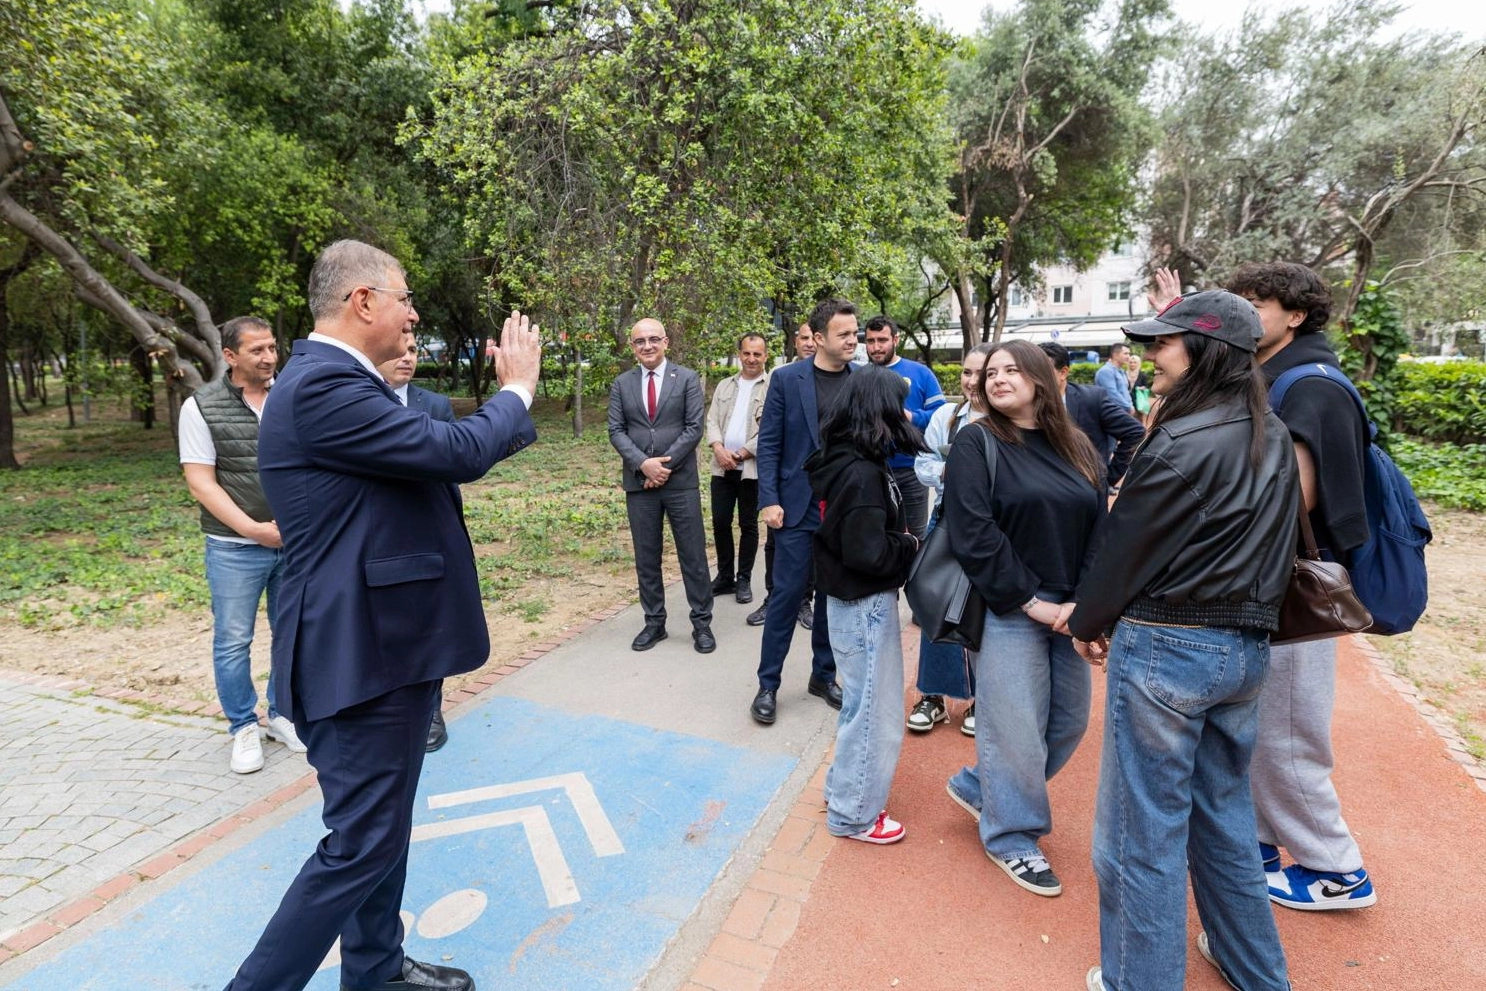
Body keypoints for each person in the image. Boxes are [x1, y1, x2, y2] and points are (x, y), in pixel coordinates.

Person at [225, 239, 541, 991]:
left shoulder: (340, 381)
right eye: (403, 297)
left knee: (381, 829)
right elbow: (455, 448)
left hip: (386, 647)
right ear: (361, 300)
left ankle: (374, 970)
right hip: (357, 658)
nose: (414, 311)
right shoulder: (323, 387)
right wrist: (519, 391)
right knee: (360, 842)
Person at [1066, 290, 1299, 991]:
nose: (1149, 354)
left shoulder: (1181, 438)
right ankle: (1257, 972)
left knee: (1142, 838)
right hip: (1245, 651)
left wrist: (1086, 623)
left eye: (1164, 342)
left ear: (1204, 353)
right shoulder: (1273, 432)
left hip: (1169, 648)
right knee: (1224, 821)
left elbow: (1122, 549)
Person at [1226, 261, 1376, 911]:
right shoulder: (1273, 376)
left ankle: (1336, 869)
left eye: (1257, 303)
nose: (1245, 312)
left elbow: (1293, 502)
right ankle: (1260, 840)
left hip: (1284, 580)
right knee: (1259, 724)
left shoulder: (1309, 386)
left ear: (1296, 313)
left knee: (1288, 731)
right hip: (1264, 577)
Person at [940, 340, 1106, 897]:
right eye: (991, 372)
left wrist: (1082, 601)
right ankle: (1012, 834)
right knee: (1013, 730)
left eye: (1012, 369)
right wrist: (1031, 601)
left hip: (1069, 609)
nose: (998, 378)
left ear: (1041, 378)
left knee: (1068, 722)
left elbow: (1099, 530)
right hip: (1009, 606)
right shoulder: (977, 441)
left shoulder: (1077, 446)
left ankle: (979, 784)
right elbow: (974, 533)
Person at [179, 315, 305, 775]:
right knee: (234, 640)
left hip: (292, 543)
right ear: (230, 356)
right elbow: (201, 483)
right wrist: (255, 530)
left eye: (272, 347)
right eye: (257, 350)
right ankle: (242, 726)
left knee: (290, 632)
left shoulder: (289, 396)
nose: (270, 357)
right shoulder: (201, 406)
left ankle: (280, 714)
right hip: (234, 547)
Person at [806, 365, 925, 844]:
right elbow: (868, 552)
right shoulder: (861, 474)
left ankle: (843, 792)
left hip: (849, 602)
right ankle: (854, 814)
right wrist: (909, 545)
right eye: (897, 405)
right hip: (864, 604)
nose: (904, 414)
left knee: (860, 706)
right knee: (875, 712)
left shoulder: (845, 459)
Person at [750, 298, 858, 725]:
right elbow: (771, 443)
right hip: (796, 508)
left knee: (834, 597)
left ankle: (823, 676)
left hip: (842, 511)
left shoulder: (862, 381)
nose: (854, 340)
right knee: (786, 597)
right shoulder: (786, 379)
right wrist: (769, 500)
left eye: (855, 333)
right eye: (844, 334)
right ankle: (768, 684)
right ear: (818, 338)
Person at [607, 318, 715, 654]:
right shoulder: (621, 384)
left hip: (679, 482)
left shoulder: (685, 379)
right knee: (647, 556)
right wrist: (644, 464)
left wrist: (664, 466)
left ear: (666, 342)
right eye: (640, 341)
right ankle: (654, 623)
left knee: (693, 555)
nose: (647, 346)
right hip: (640, 484)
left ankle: (702, 624)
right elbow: (616, 431)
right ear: (632, 346)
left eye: (654, 339)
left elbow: (694, 427)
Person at [906, 344, 992, 735]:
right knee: (934, 603)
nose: (973, 382)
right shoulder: (947, 416)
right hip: (947, 521)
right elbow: (923, 464)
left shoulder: (1010, 417)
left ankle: (979, 698)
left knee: (984, 610)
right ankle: (933, 696)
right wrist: (955, 472)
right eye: (967, 373)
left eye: (982, 373)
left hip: (995, 528)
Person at [376, 333, 456, 754]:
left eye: (412, 353)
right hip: (383, 534)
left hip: (429, 526)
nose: (407, 359)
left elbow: (451, 461)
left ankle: (432, 709)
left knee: (432, 622)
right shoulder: (365, 401)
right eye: (400, 351)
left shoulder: (435, 405)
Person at [750, 323, 818, 627]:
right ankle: (773, 598)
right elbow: (767, 429)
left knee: (811, 549)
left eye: (813, 338)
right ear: (797, 341)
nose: (809, 344)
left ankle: (804, 601)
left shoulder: (830, 376)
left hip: (814, 487)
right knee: (774, 545)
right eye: (804, 338)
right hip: (783, 480)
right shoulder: (782, 377)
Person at [862, 314, 944, 538]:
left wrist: (912, 417)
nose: (876, 347)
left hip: (911, 469)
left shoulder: (921, 373)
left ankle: (914, 574)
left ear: (896, 340)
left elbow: (942, 416)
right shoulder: (860, 376)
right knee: (875, 534)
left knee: (915, 536)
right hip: (870, 469)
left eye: (882, 340)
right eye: (870, 341)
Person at [706, 332, 769, 606]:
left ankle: (743, 579)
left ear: (765, 355)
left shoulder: (771, 387)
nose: (751, 358)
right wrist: (719, 449)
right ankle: (724, 577)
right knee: (720, 521)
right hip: (721, 467)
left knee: (748, 525)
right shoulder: (724, 386)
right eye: (747, 353)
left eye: (757, 354)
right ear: (740, 354)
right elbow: (711, 421)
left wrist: (743, 452)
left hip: (750, 469)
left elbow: (770, 429)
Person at [1039, 342, 1145, 491]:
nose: (1035, 378)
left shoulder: (1091, 399)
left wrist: (1107, 479)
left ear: (1063, 372)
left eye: (1042, 371)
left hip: (1086, 492)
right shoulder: (1026, 403)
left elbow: (1135, 432)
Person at [1095, 343, 1136, 416]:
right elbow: (1112, 394)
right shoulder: (1106, 371)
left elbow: (1125, 392)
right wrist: (1128, 407)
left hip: (1124, 412)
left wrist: (1130, 406)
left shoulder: (1121, 371)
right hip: (1112, 413)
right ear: (1115, 355)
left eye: (1129, 354)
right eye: (1125, 354)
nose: (1128, 357)